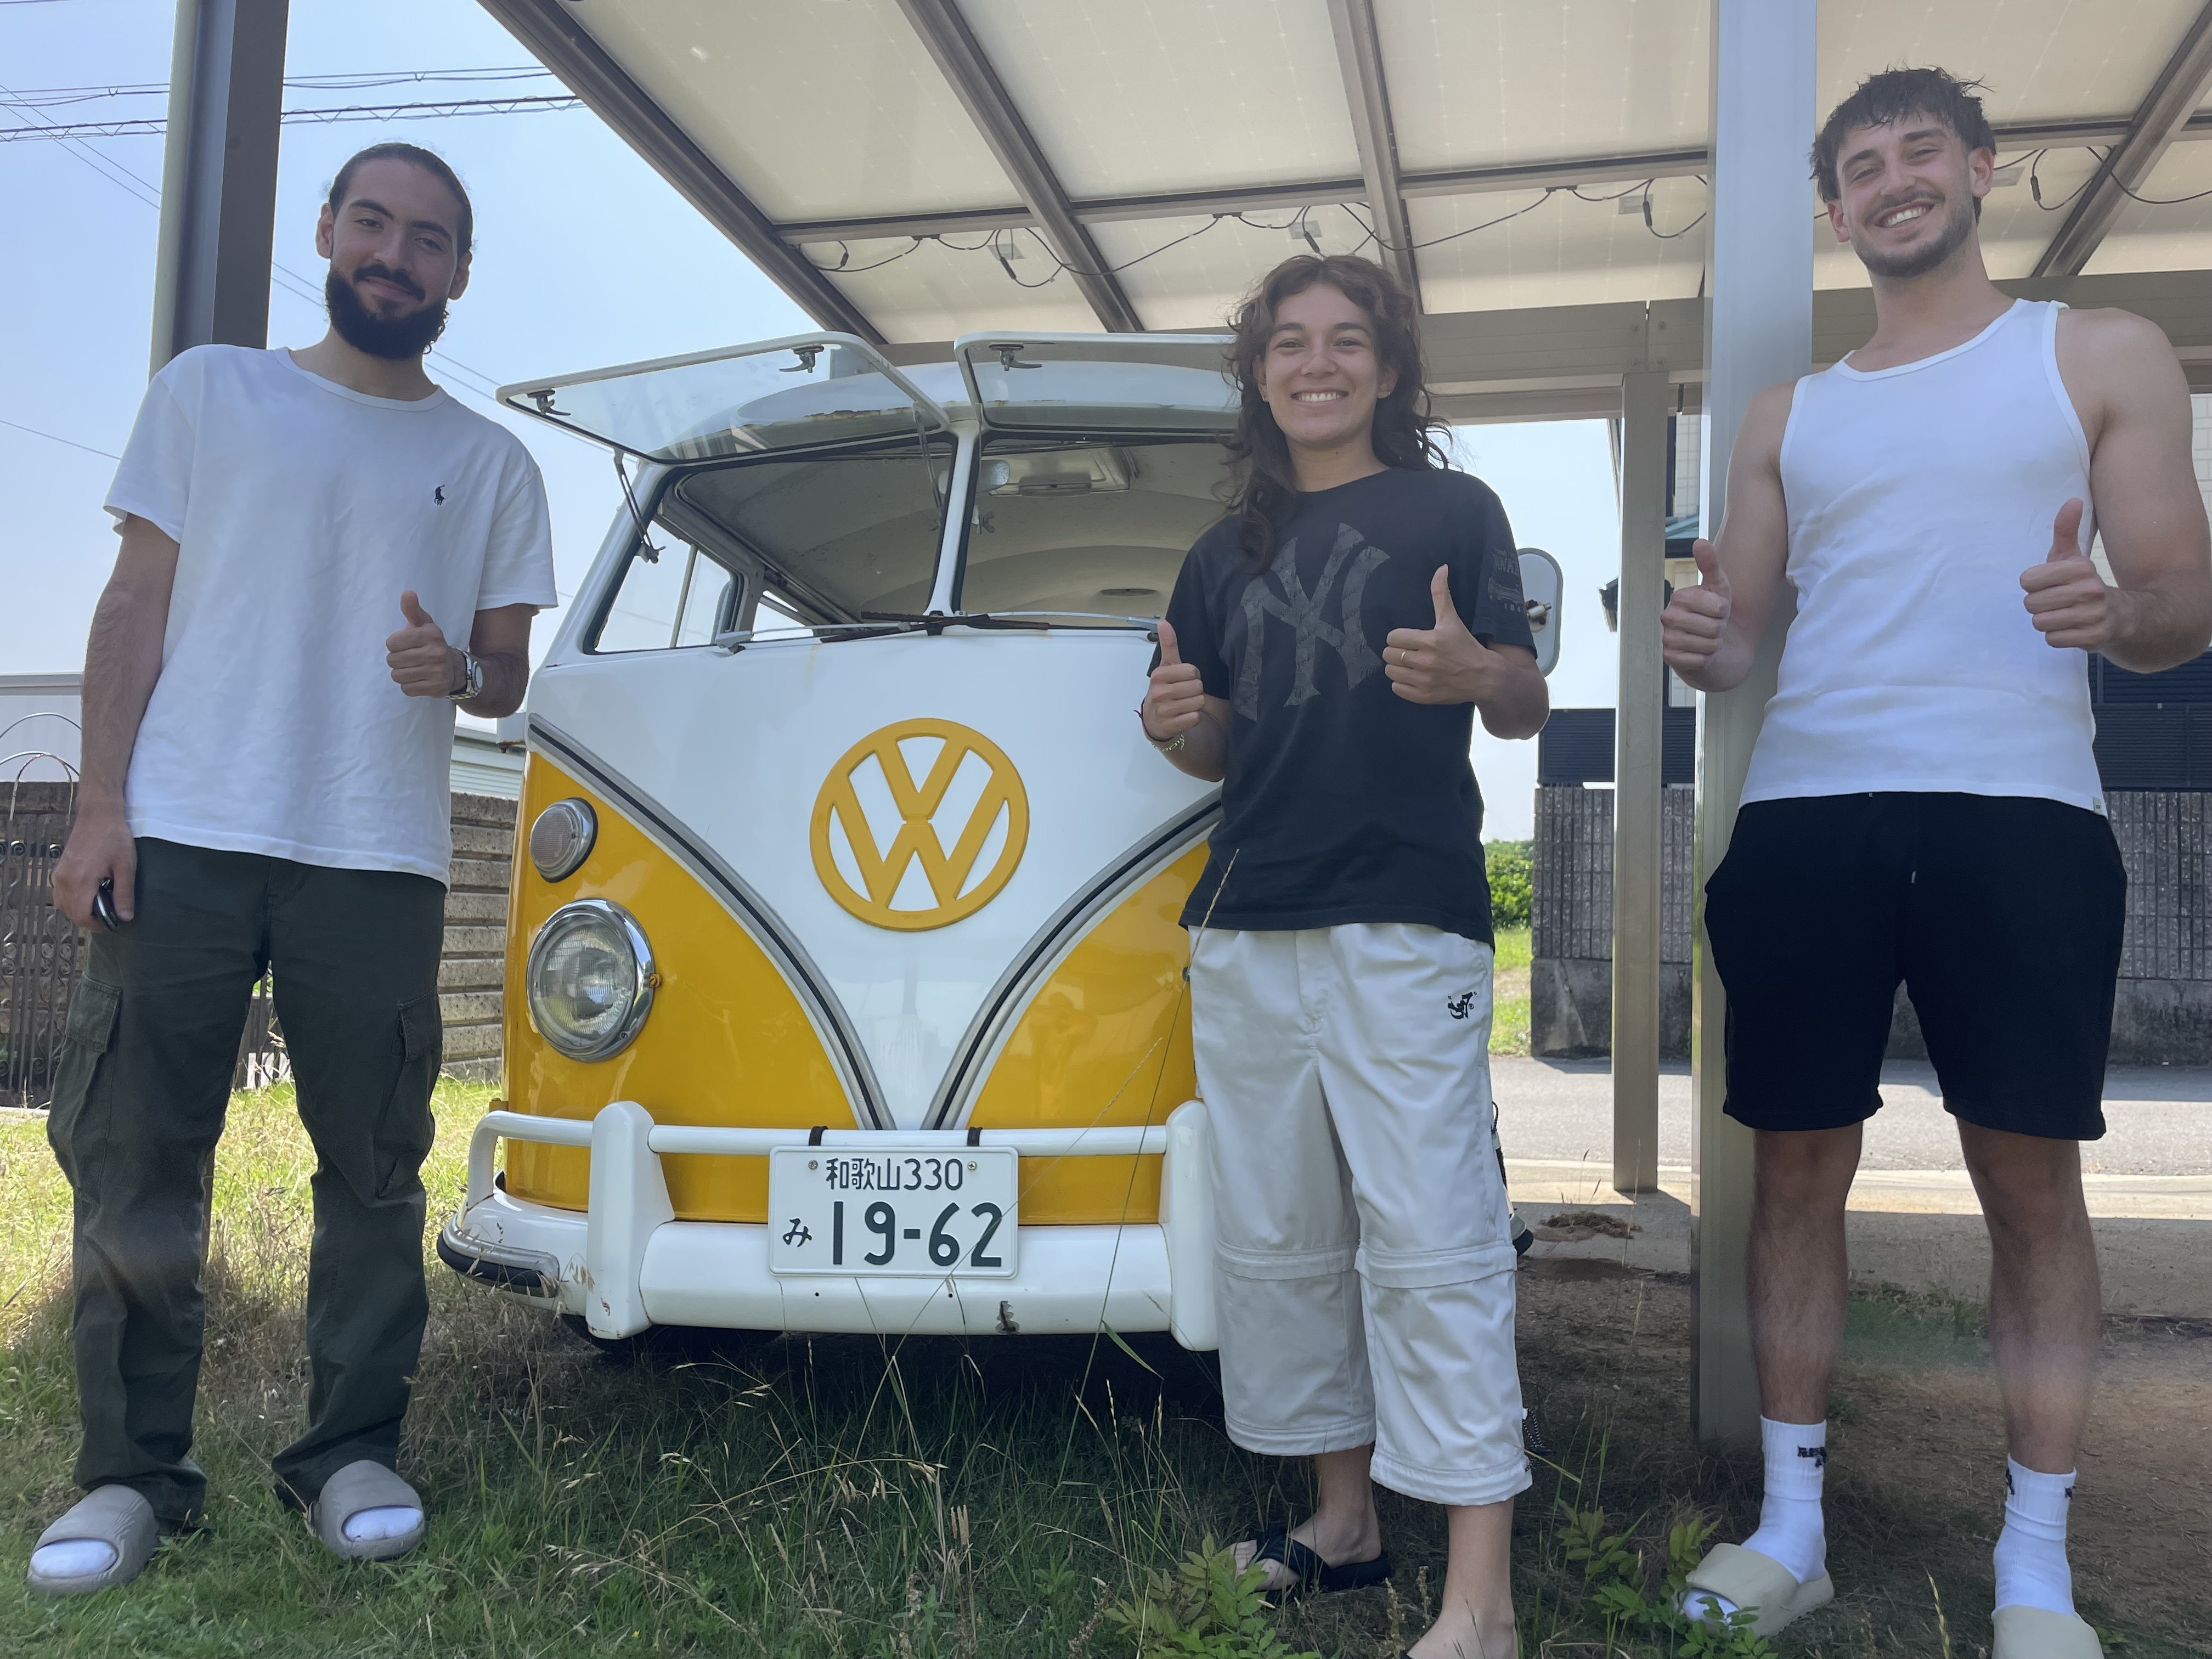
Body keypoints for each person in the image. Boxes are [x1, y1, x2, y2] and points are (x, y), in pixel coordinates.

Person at [1661, 69, 2211, 1656]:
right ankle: (1792, 1531)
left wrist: (2118, 613)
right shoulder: (1790, 414)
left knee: (2029, 1184)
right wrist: (1700, 636)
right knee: (1793, 1171)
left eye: (1920, 153)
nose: (1893, 181)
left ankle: (2037, 1567)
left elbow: (2180, 602)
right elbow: (1738, 641)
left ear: (1980, 169)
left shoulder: (2097, 351)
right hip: (1809, 810)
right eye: (1862, 166)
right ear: (1835, 210)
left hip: (2022, 812)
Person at [30, 142, 558, 1595]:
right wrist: (100, 804)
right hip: (185, 829)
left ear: (460, 274)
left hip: (377, 852)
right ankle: (130, 1476)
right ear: (327, 232)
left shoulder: (493, 464)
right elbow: (134, 604)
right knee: (139, 1155)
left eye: (429, 239)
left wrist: (459, 672)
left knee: (374, 1167)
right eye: (372, 223)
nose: (396, 255)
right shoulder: (212, 392)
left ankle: (351, 1453)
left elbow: (506, 674)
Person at [1139, 253, 1549, 1659]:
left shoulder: (1455, 510)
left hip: (1403, 918)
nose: (1318, 364)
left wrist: (1479, 673)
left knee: (1435, 1238)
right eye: (1291, 344)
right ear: (1258, 374)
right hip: (1246, 924)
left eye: (1348, 340)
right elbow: (1216, 744)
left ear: (1389, 367)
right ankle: (1345, 1522)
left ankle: (1481, 1602)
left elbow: (1525, 700)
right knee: (1286, 1239)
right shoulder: (1221, 553)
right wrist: (1178, 721)